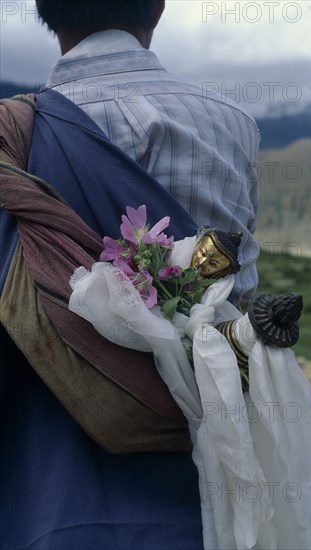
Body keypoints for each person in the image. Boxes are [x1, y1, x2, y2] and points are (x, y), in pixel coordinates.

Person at [0, 1, 260, 548]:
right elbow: (241, 291)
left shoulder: (12, 135)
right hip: (200, 424)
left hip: (44, 435)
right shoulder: (233, 122)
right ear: (159, 7)